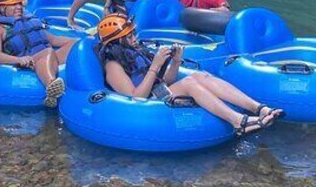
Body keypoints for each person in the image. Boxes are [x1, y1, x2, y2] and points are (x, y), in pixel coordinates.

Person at [95, 13, 283, 135]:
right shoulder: (113, 66)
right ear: (116, 42)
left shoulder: (136, 52)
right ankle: (237, 122)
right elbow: (136, 98)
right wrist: (155, 65)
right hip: (143, 106)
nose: (135, 38)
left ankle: (259, 108)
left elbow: (165, 81)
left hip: (158, 93)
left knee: (201, 76)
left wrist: (176, 61)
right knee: (190, 83)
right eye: (129, 36)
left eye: (134, 33)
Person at [0, 0, 77, 107]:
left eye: (19, 3)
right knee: (48, 52)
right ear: (1, 8)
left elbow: (54, 40)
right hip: (29, 62)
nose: (18, 7)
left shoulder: (29, 20)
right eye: (13, 4)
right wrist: (18, 59)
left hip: (48, 57)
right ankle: (51, 86)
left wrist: (79, 42)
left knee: (76, 46)